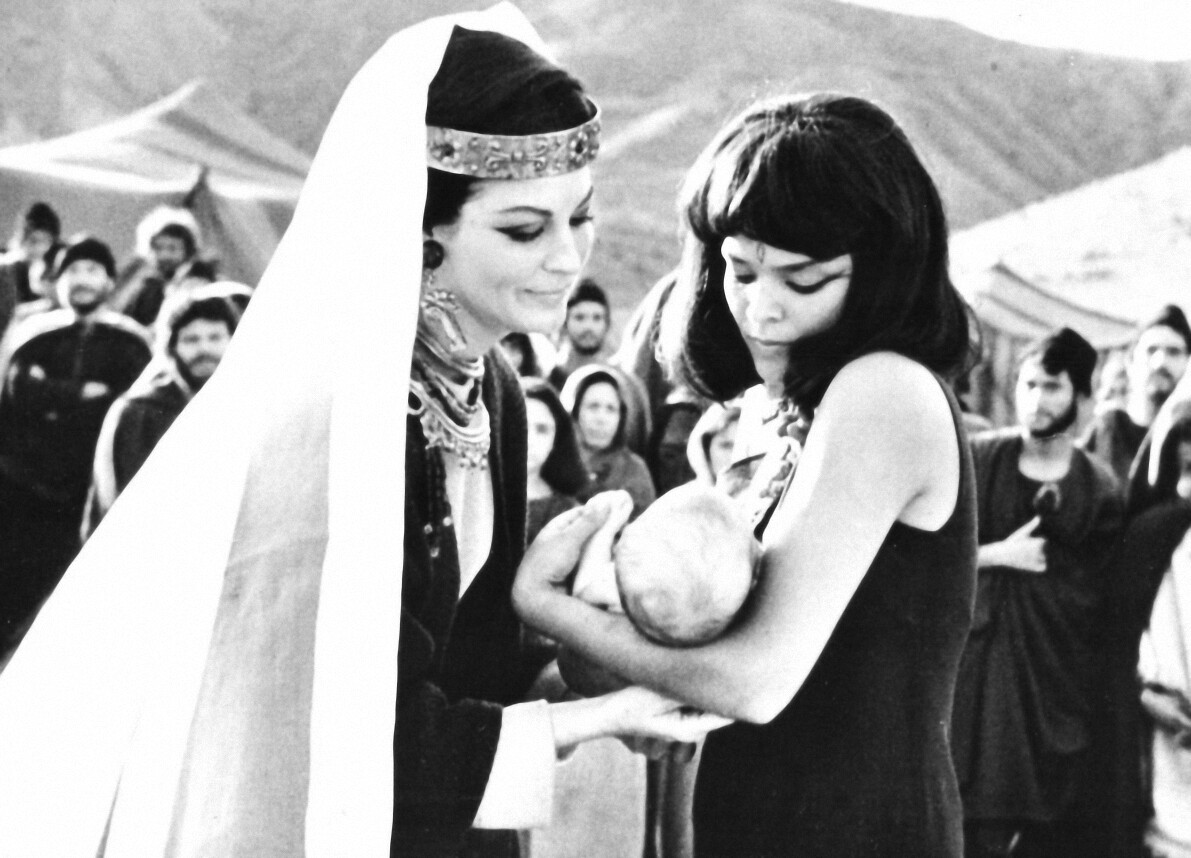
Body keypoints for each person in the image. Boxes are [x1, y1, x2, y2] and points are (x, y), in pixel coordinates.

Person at [0, 8, 724, 857]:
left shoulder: (490, 386)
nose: (569, 257)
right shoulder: (342, 418)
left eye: (581, 216)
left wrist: (593, 677)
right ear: (419, 235)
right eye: (525, 229)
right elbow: (348, 729)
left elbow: (471, 662)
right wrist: (587, 720)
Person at [514, 93, 978, 858]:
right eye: (740, 271)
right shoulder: (774, 406)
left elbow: (752, 681)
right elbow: (694, 657)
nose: (761, 311)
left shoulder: (884, 390)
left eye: (804, 281)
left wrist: (547, 605)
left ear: (881, 276)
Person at [950, 328, 1124, 858]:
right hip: (975, 681)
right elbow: (923, 559)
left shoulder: (1099, 490)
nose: (1036, 400)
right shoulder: (977, 459)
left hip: (1054, 688)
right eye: (1028, 385)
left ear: (1082, 396)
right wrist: (996, 555)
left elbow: (1101, 602)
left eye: (1052, 387)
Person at [0, 236, 152, 660]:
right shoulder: (33, 336)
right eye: (72, 271)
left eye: (92, 270)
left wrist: (50, 390)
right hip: (25, 490)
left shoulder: (131, 342)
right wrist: (83, 392)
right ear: (57, 281)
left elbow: (129, 408)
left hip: (89, 493)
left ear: (109, 281)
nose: (82, 279)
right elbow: (17, 395)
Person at [84, 293, 240, 534]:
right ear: (172, 347)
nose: (204, 349)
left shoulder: (244, 408)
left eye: (215, 337)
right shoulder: (140, 411)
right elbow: (118, 502)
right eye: (191, 340)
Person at [1081, 305, 1191, 485]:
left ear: (1188, 362)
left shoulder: (1187, 440)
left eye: (1174, 352)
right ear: (1130, 362)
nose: (1160, 363)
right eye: (1151, 350)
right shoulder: (1105, 432)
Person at [563, 366, 657, 518]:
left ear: (622, 417)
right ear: (575, 412)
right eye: (593, 407)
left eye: (611, 409)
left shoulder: (633, 471)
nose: (601, 419)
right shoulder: (556, 463)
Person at [523, 377, 588, 545]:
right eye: (520, 426)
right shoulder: (474, 498)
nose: (529, 440)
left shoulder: (569, 513)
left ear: (556, 439)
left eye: (542, 429)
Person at [548, 277, 612, 390]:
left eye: (597, 318)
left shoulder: (624, 383)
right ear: (564, 322)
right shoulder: (548, 378)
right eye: (579, 317)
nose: (588, 327)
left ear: (607, 323)